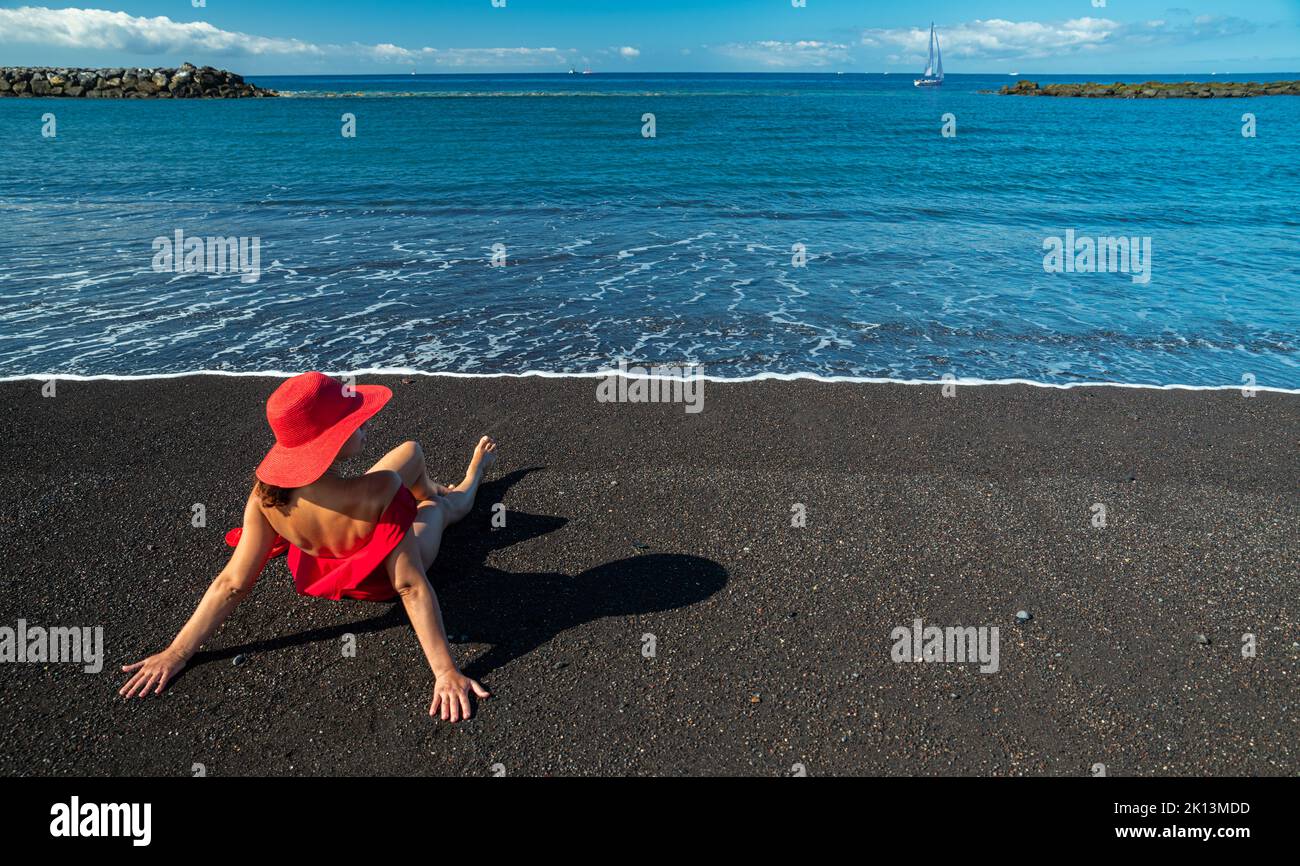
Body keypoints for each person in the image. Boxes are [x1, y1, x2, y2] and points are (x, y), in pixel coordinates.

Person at [119, 371, 496, 722]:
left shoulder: (266, 494)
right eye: (355, 422)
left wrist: (177, 653)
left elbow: (232, 583)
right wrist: (445, 671)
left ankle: (431, 485)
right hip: (377, 580)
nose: (366, 425)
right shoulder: (382, 489)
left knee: (411, 451)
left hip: (315, 565)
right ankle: (469, 479)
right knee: (437, 508)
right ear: (331, 440)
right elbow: (408, 586)